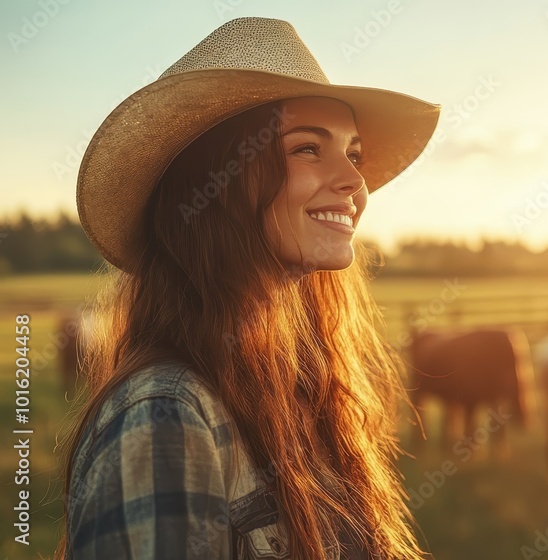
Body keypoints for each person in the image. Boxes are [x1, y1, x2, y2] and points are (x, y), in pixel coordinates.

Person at [57, 17, 440, 559]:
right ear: (220, 180)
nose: (356, 182)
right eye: (308, 148)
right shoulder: (164, 417)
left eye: (353, 153)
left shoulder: (304, 388)